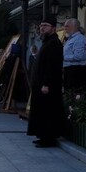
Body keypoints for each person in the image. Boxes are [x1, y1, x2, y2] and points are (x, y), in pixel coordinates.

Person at [27, 15, 64, 148]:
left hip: (48, 85)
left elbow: (52, 66)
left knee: (47, 112)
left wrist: (46, 84)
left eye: (45, 26)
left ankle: (48, 138)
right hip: (40, 84)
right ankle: (42, 136)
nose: (42, 28)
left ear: (53, 28)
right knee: (41, 111)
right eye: (41, 26)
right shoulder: (47, 41)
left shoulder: (54, 43)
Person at [62, 18, 86, 93]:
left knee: (73, 94)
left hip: (75, 71)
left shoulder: (79, 39)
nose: (65, 28)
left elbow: (79, 56)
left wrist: (63, 57)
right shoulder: (70, 39)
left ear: (74, 26)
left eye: (67, 26)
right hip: (69, 70)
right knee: (69, 93)